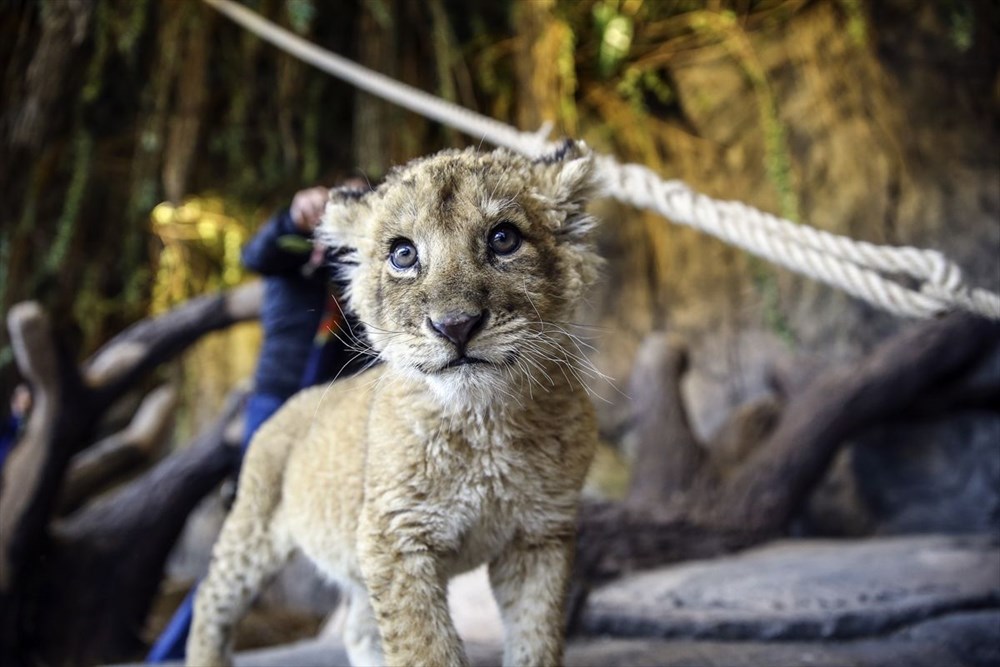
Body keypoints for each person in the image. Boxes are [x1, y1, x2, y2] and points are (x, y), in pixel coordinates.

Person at [147, 182, 368, 663]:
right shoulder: (290, 254)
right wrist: (293, 218)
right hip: (277, 400)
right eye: (336, 199)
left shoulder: (361, 264)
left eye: (356, 200)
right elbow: (257, 252)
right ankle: (167, 657)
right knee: (245, 538)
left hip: (335, 409)